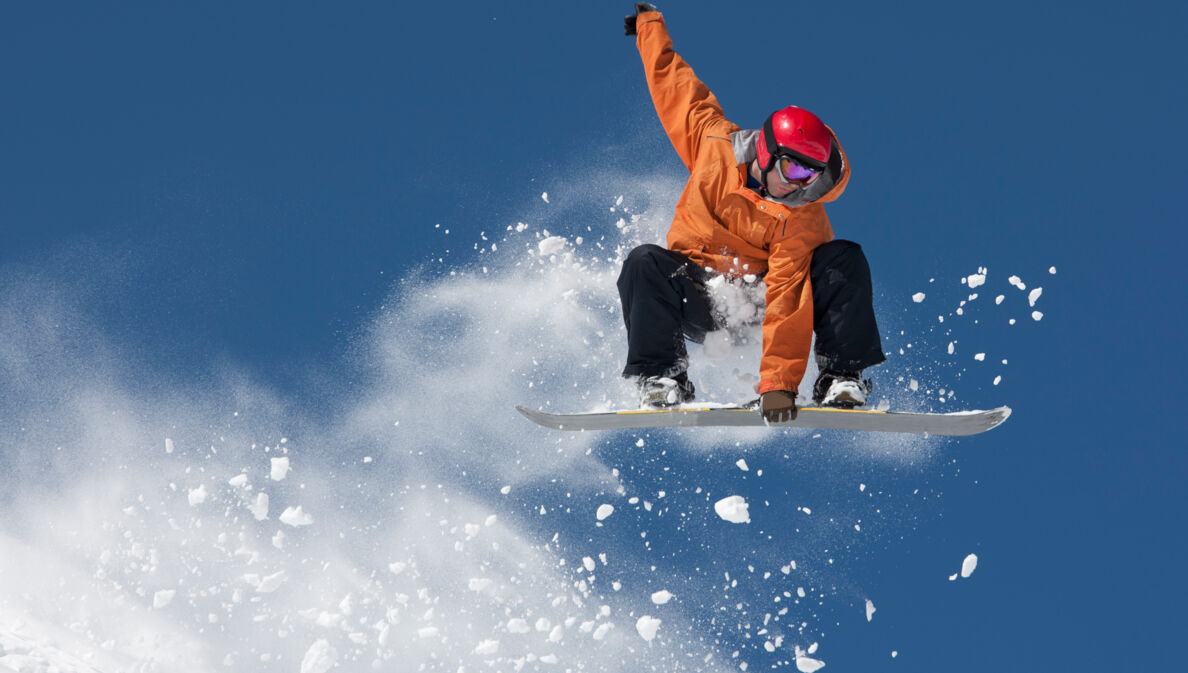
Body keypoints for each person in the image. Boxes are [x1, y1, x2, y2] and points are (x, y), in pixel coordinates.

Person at [619, 3, 886, 422]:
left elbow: (789, 299)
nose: (800, 185)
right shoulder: (713, 147)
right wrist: (649, 27)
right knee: (644, 262)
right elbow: (673, 86)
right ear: (766, 152)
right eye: (794, 168)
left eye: (811, 175)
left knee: (843, 259)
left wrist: (778, 385)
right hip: (699, 297)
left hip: (759, 305)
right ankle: (662, 377)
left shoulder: (802, 215)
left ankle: (841, 377)